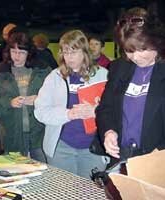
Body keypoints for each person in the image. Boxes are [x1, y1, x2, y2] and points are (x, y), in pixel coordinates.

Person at [91, 7, 165, 169]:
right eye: (129, 51)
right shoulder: (119, 68)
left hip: (156, 158)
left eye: (142, 49)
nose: (136, 57)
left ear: (157, 42)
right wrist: (108, 131)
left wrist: (161, 152)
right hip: (121, 155)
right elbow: (105, 108)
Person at [34, 30, 108, 178]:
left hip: (93, 148)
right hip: (61, 147)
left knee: (90, 193)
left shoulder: (103, 75)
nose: (69, 57)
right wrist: (68, 114)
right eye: (66, 52)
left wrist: (96, 111)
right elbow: (40, 111)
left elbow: (115, 110)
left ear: (85, 52)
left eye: (74, 52)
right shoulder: (54, 77)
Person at [0, 31, 51, 162]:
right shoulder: (0, 73)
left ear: (29, 53)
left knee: (44, 175)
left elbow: (57, 99)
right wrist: (9, 102)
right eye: (13, 52)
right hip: (12, 136)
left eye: (21, 52)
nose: (17, 56)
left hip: (40, 135)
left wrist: (39, 100)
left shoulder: (44, 71)